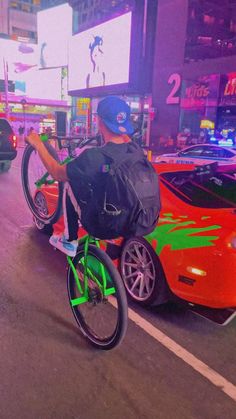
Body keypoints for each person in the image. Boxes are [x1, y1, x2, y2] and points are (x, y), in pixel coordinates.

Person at [27, 96, 134, 256]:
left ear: (99, 121)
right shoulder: (135, 151)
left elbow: (56, 172)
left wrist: (39, 144)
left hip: (103, 223)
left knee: (70, 181)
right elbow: (123, 138)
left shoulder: (94, 157)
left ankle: (68, 240)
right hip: (131, 221)